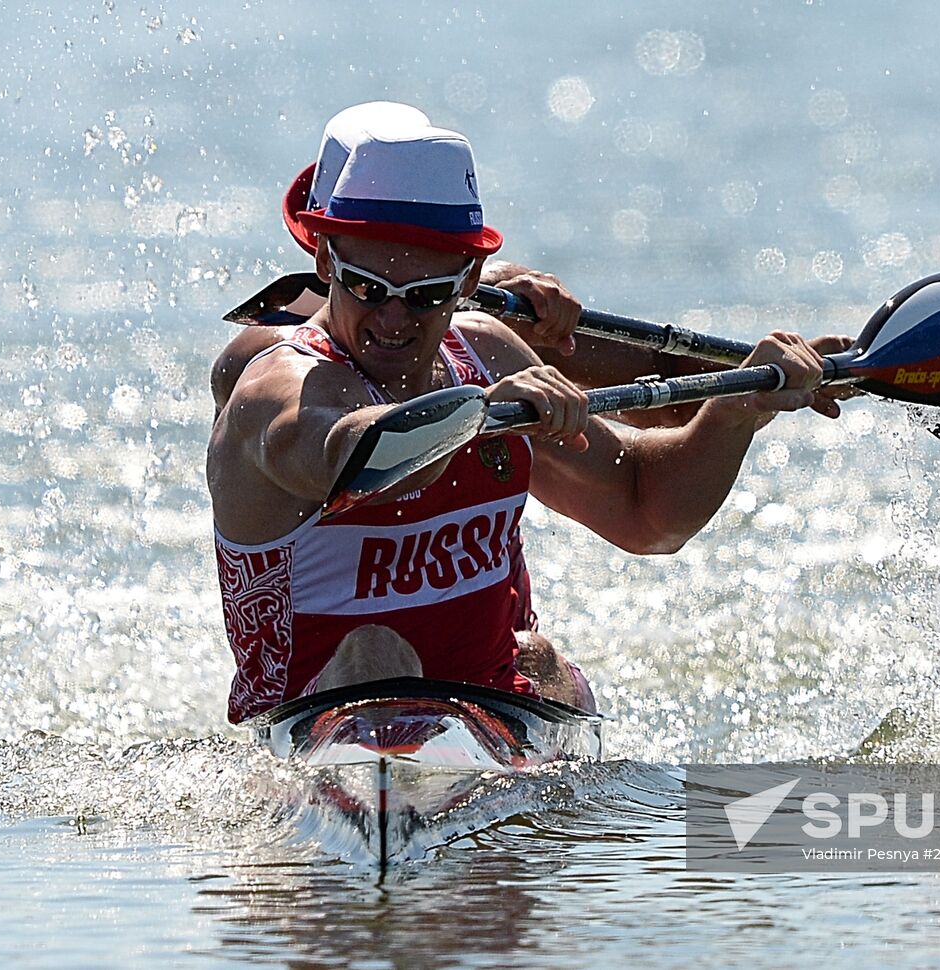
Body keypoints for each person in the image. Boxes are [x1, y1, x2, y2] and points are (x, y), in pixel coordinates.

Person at [207, 102, 846, 724]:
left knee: (542, 661)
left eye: (426, 296)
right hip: (324, 719)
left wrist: (733, 410)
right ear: (324, 262)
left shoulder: (487, 351)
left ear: (468, 280)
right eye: (369, 289)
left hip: (492, 710)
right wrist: (480, 413)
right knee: (373, 657)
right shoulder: (278, 388)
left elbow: (648, 514)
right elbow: (359, 454)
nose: (395, 320)